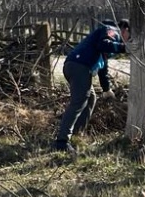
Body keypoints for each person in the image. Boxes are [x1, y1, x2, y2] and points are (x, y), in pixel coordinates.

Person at [53, 19, 130, 153]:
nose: (128, 40)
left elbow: (103, 67)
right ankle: (62, 141)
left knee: (90, 98)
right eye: (130, 37)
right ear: (125, 30)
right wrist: (123, 48)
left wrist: (106, 89)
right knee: (79, 101)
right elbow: (103, 44)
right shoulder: (112, 30)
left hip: (76, 66)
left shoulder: (108, 37)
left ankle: (77, 134)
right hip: (79, 66)